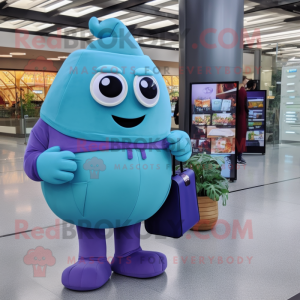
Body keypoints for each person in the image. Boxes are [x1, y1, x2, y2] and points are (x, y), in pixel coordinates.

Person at [236, 76, 249, 165]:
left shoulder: (240, 90)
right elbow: (242, 105)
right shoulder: (242, 91)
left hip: (240, 116)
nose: (246, 81)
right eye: (246, 80)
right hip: (241, 117)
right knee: (241, 136)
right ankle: (239, 156)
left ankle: (238, 156)